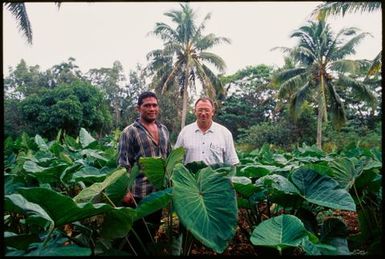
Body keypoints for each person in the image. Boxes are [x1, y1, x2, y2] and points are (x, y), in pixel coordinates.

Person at [117, 91, 171, 255]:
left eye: (154, 105)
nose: (151, 108)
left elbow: (168, 158)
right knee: (135, 237)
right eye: (147, 105)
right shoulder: (129, 131)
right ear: (138, 108)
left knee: (151, 233)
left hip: (158, 192)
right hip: (138, 192)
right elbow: (123, 163)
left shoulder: (164, 130)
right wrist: (125, 190)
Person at [175, 96, 239, 167]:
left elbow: (232, 163)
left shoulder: (225, 133)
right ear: (195, 112)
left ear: (212, 112)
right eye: (200, 110)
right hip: (190, 177)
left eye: (206, 110)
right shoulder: (184, 133)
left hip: (216, 178)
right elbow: (175, 160)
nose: (203, 113)